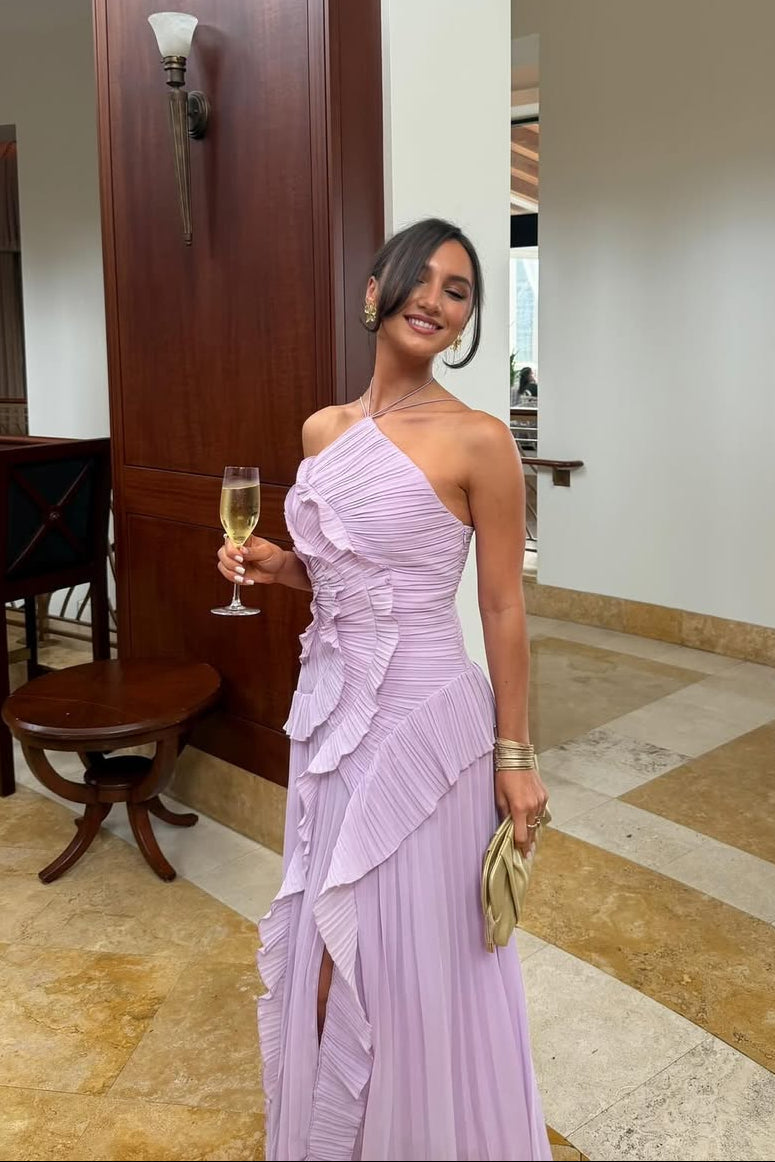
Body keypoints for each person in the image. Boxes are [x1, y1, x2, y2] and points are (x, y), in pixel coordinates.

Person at [218, 218, 551, 1161]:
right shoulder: (324, 431)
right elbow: (336, 575)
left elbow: (500, 608)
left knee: (410, 962)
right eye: (426, 280)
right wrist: (275, 565)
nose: (439, 301)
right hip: (327, 719)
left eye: (460, 292)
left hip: (424, 727)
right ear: (375, 291)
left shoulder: (480, 441)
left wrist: (516, 757)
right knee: (323, 951)